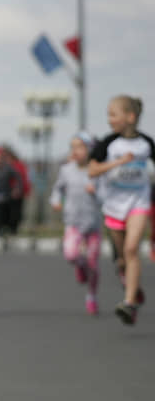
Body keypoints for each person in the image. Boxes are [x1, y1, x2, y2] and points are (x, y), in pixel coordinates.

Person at [88, 95, 153, 325]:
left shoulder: (146, 143)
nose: (109, 120)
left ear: (130, 117)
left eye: (113, 115)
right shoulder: (108, 143)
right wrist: (117, 163)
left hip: (139, 202)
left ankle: (128, 303)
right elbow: (92, 171)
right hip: (114, 205)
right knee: (122, 260)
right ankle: (131, 285)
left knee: (132, 248)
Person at [51, 132, 103, 315]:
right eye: (73, 147)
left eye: (80, 147)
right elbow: (58, 189)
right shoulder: (66, 170)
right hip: (73, 221)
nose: (76, 151)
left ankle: (91, 296)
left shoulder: (96, 171)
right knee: (71, 255)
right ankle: (79, 265)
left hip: (93, 223)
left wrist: (95, 192)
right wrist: (56, 200)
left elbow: (105, 197)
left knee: (94, 264)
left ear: (90, 149)